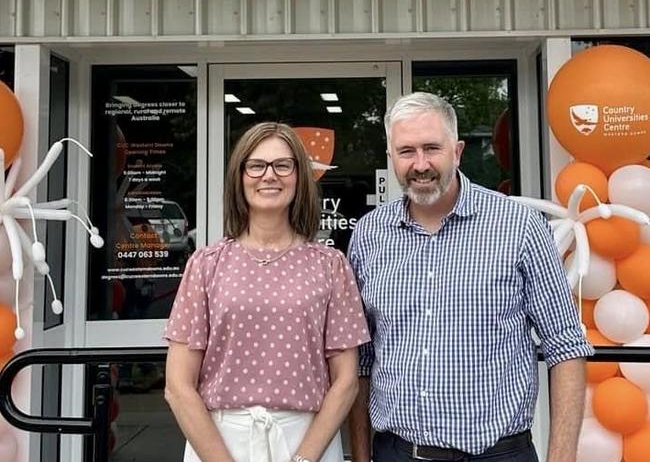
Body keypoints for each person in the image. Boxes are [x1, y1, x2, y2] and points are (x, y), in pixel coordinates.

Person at [347, 92, 592, 462]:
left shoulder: (519, 226)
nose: (421, 163)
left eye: (432, 148)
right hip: (396, 452)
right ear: (391, 158)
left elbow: (566, 346)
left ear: (457, 151)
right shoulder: (369, 235)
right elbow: (362, 360)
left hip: (498, 454)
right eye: (406, 151)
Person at [164, 121, 369, 462]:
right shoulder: (206, 265)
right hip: (219, 441)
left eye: (282, 165)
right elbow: (178, 386)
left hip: (308, 441)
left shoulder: (330, 265)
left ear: (299, 176)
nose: (269, 175)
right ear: (240, 176)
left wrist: (303, 458)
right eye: (256, 165)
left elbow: (346, 380)